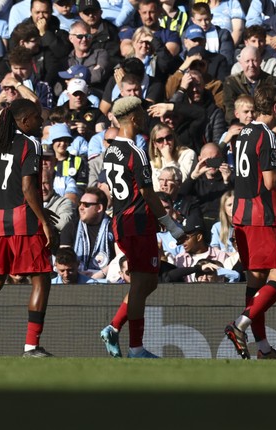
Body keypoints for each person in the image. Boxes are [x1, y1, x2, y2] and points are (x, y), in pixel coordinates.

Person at [100, 96, 186, 359]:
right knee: (141, 283)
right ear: (135, 118)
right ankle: (135, 347)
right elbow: (149, 194)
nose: (145, 117)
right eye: (141, 113)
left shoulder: (111, 149)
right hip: (137, 222)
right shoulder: (137, 152)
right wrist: (172, 226)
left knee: (147, 283)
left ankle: (114, 327)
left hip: (123, 220)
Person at [224, 85, 276, 360]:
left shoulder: (242, 133)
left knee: (255, 283)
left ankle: (264, 349)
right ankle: (240, 325)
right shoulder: (267, 135)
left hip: (242, 216)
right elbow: (270, 181)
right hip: (264, 217)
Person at [0, 99, 58, 358]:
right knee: (41, 279)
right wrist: (44, 221)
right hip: (25, 222)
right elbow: (27, 188)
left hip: (1, 221)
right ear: (25, 121)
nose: (41, 121)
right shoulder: (30, 143)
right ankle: (31, 346)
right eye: (37, 117)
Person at [148, 123, 196, 190]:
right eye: (160, 140)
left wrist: (168, 158)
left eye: (168, 138)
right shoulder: (154, 163)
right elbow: (156, 188)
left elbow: (181, 181)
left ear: (174, 138)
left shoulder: (188, 154)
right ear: (155, 144)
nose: (165, 143)